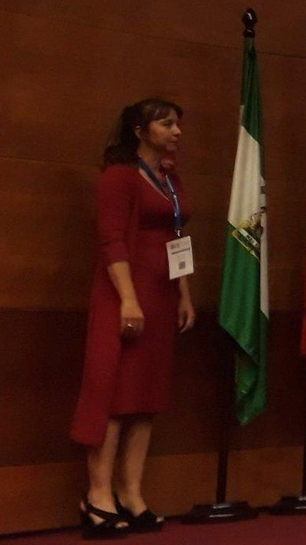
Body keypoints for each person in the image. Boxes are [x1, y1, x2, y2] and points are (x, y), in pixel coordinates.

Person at [71, 99, 195, 537]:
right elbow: (110, 241)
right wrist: (127, 298)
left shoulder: (171, 180)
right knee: (114, 397)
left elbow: (179, 239)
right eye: (167, 124)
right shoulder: (119, 177)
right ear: (140, 131)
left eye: (177, 124)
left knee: (146, 399)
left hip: (161, 297)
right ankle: (98, 495)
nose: (177, 131)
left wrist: (184, 293)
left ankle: (131, 492)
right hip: (123, 295)